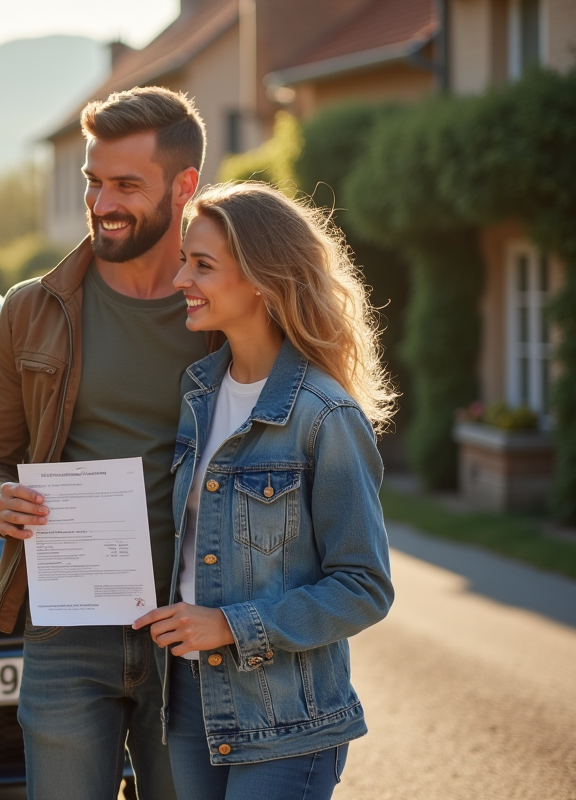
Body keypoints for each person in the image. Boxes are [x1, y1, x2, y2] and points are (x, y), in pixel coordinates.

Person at [0, 86, 208, 800]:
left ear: (185, 185)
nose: (102, 203)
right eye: (94, 182)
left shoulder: (227, 311)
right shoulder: (32, 310)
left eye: (127, 184)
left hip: (190, 634)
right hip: (69, 632)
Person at [132, 181, 397, 800]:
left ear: (260, 279)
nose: (181, 282)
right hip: (189, 702)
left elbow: (364, 586)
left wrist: (230, 625)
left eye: (202, 266)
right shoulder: (196, 395)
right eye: (183, 263)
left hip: (287, 718)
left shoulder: (324, 416)